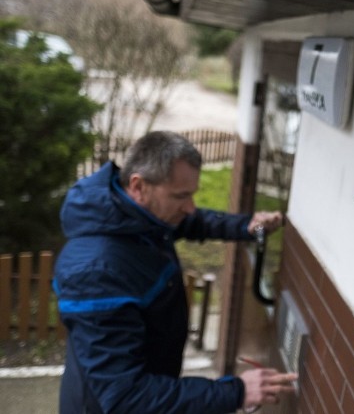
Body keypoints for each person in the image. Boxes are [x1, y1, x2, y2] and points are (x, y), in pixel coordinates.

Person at [53, 131, 297, 413]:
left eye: (191, 195)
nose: (190, 207)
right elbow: (125, 398)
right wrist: (236, 392)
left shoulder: (132, 215)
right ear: (138, 186)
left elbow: (191, 222)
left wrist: (245, 225)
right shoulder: (97, 274)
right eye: (181, 196)